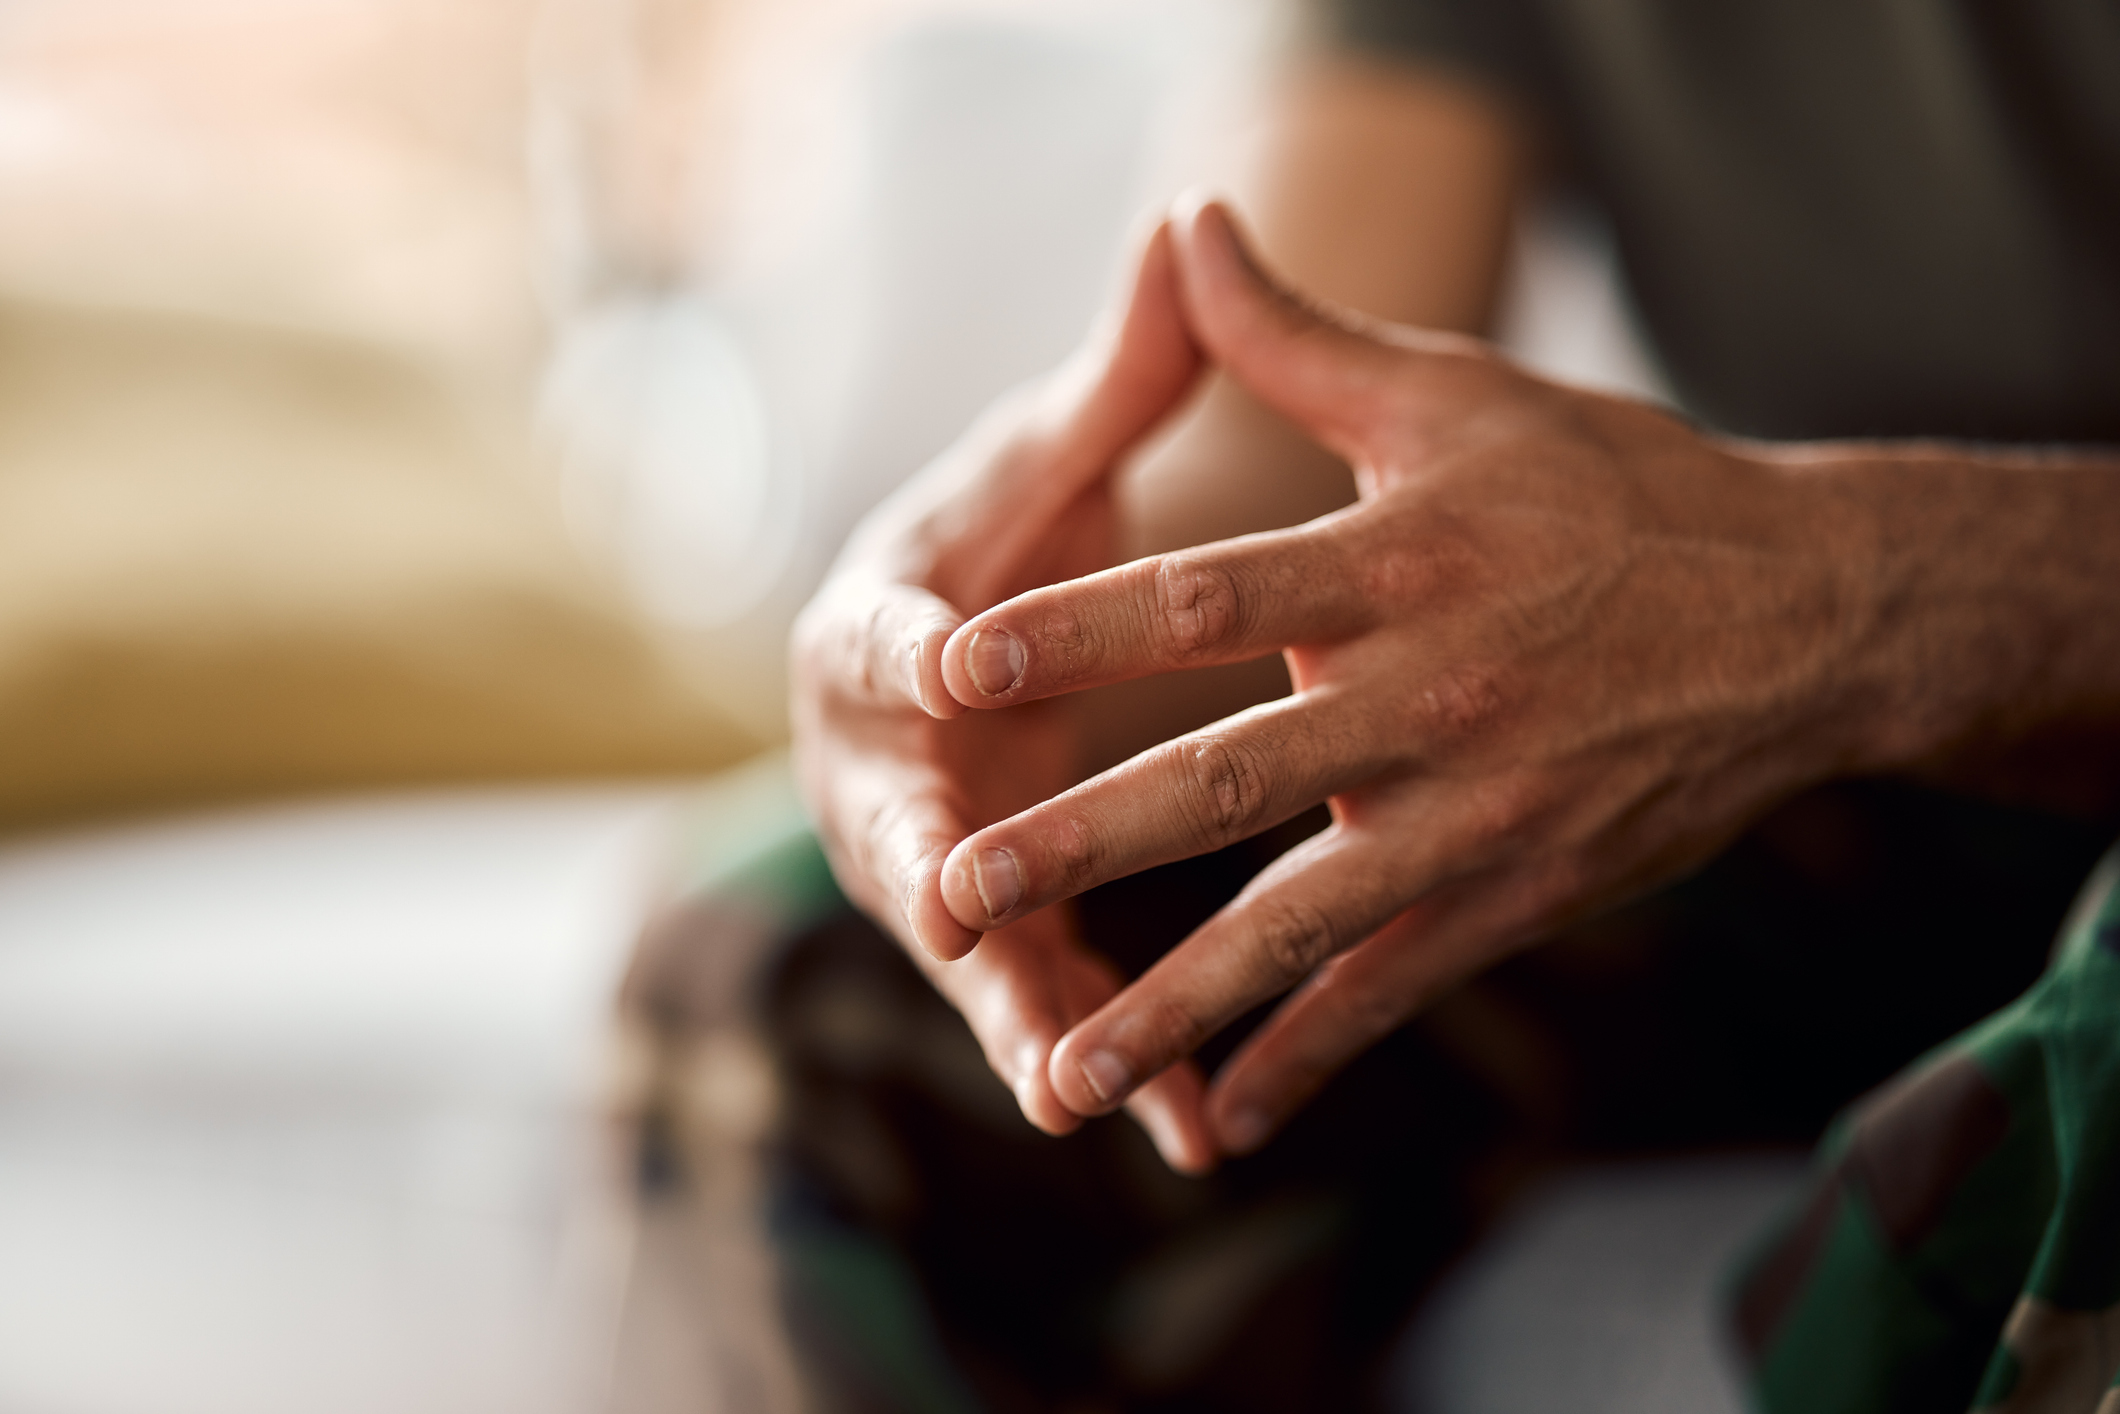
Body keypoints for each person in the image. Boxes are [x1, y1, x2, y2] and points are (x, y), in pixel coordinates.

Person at [789, 0, 2120, 1404]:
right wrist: (987, 644)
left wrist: (1842, 592)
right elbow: (1272, 447)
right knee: (796, 983)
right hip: (1838, 796)